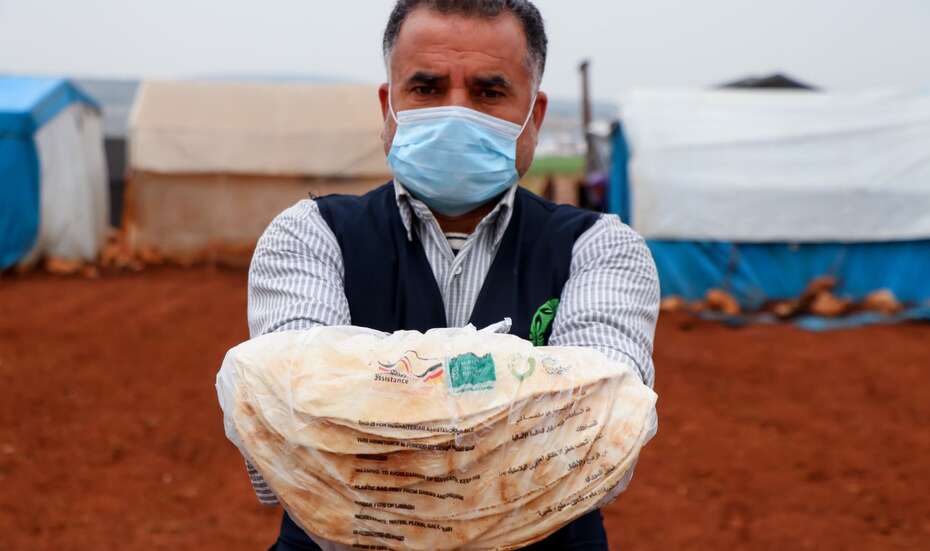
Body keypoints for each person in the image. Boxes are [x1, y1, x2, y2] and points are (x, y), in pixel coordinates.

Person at [246, 1, 660, 549]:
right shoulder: (310, 235)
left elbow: (598, 446)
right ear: (387, 106)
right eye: (427, 88)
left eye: (489, 92)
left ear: (532, 117)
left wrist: (374, 417)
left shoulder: (601, 249)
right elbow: (289, 431)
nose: (455, 112)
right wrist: (520, 418)